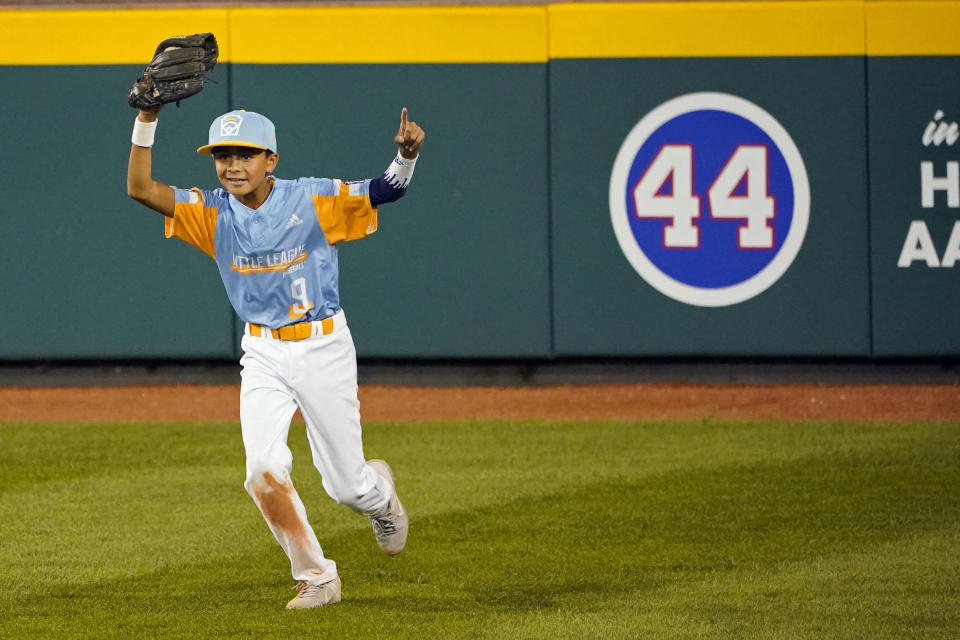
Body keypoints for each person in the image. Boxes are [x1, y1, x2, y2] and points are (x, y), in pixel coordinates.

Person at [126, 104, 425, 610]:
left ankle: (380, 497)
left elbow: (385, 189)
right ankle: (317, 577)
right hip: (262, 349)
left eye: (246, 154)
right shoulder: (211, 211)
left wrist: (405, 154)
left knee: (347, 488)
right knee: (262, 467)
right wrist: (148, 116)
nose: (233, 165)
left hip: (323, 345)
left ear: (272, 160)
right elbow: (141, 188)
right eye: (222, 155)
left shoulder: (310, 198)